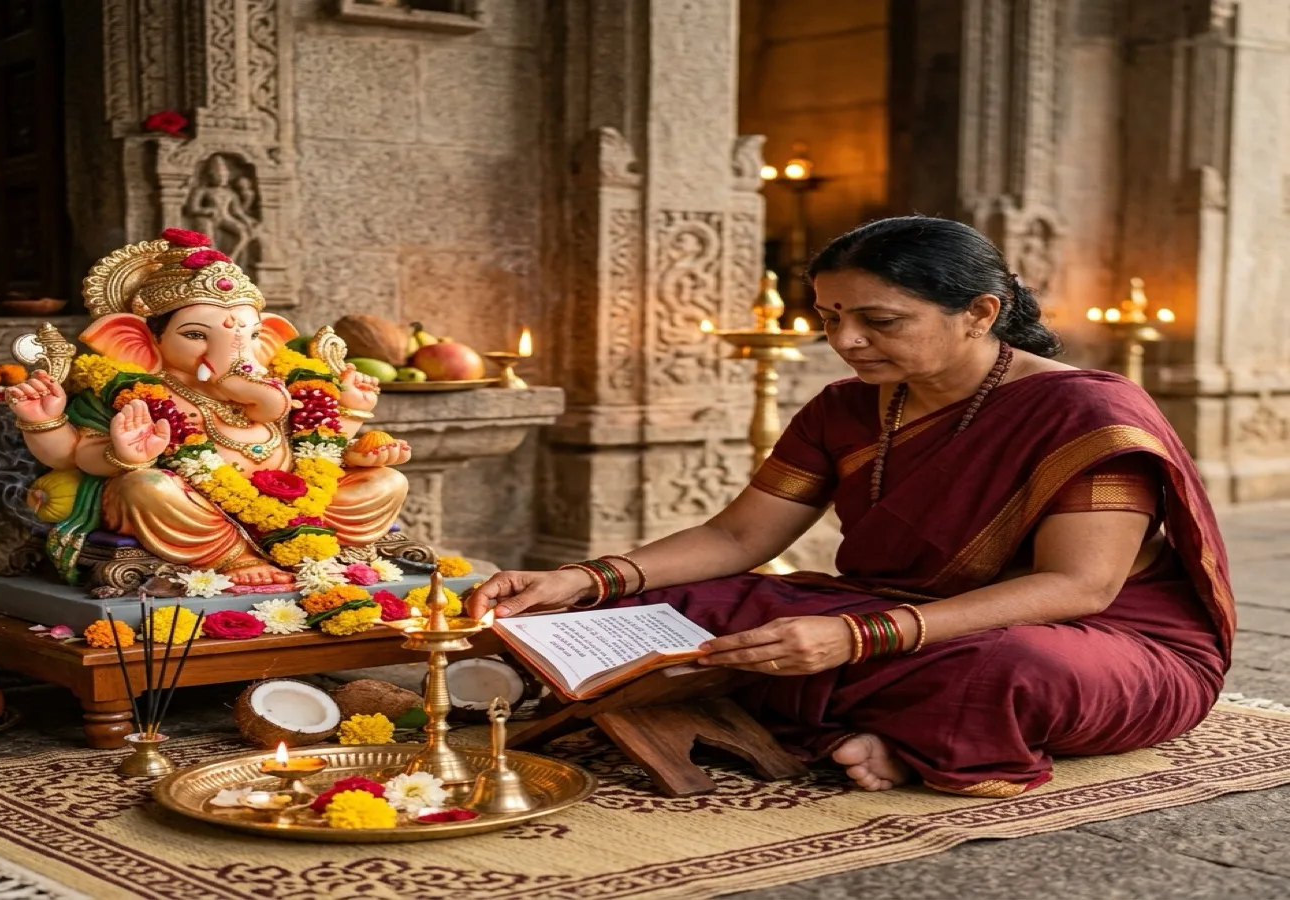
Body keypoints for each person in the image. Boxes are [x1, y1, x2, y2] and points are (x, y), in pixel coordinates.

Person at [467, 216, 1234, 798]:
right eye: (830, 317)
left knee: (1012, 671)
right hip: (896, 612)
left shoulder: (1085, 411)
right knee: (656, 611)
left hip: (1095, 638)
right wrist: (585, 579)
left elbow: (1079, 586)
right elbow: (737, 536)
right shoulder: (845, 407)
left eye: (879, 320)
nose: (847, 340)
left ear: (979, 311)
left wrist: (856, 636)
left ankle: (875, 726)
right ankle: (886, 732)